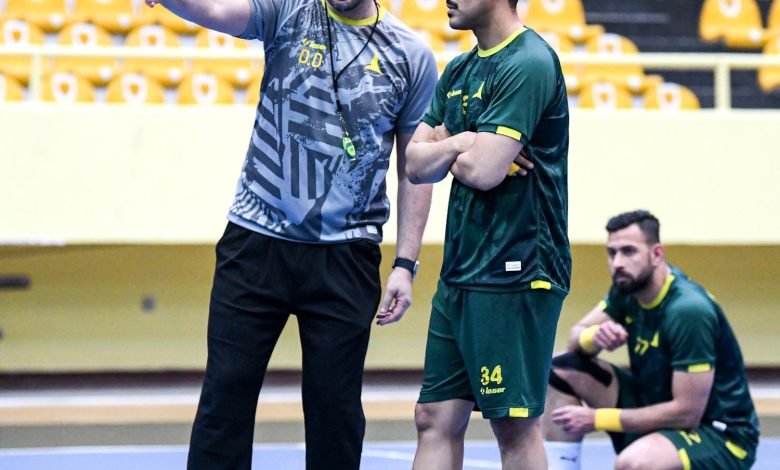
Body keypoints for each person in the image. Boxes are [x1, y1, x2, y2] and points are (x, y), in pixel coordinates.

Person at [143, 0, 438, 468]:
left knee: (335, 411)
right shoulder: (288, 10)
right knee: (225, 398)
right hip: (255, 240)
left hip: (347, 253)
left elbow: (413, 169)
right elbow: (216, 10)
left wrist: (405, 263)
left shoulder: (410, 56)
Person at [404, 0, 571, 467]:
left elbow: (484, 171)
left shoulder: (529, 62)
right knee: (433, 416)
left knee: (513, 425)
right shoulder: (459, 69)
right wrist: (463, 141)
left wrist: (446, 146)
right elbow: (414, 165)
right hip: (461, 269)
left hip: (516, 268)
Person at [542, 210, 760, 470]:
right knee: (559, 369)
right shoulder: (628, 289)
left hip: (718, 434)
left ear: (656, 254)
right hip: (655, 403)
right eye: (612, 253)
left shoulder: (688, 311)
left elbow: (687, 413)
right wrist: (594, 337)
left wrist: (598, 418)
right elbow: (575, 339)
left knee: (635, 463)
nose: (618, 263)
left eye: (629, 251)